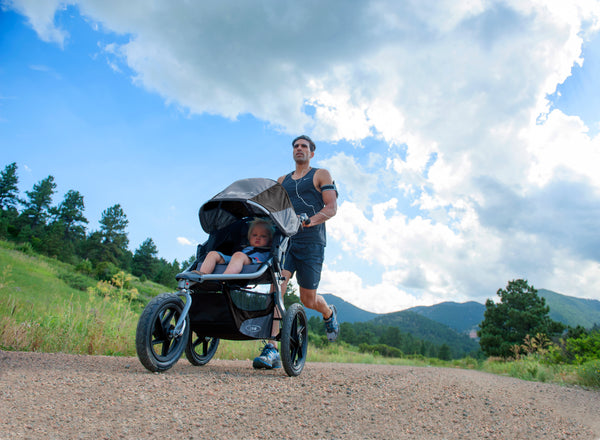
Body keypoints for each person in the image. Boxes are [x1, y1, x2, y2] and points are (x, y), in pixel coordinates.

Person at [253, 134, 339, 370]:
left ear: (311, 153)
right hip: (287, 242)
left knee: (307, 299)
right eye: (296, 146)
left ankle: (329, 313)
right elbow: (272, 209)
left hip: (312, 243)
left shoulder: (321, 174)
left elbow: (331, 207)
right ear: (293, 152)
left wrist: (309, 221)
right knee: (276, 288)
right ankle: (271, 348)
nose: (299, 149)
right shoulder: (282, 180)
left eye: (304, 146)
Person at [195, 218, 273, 275]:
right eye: (254, 235)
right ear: (249, 237)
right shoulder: (245, 247)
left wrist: (263, 262)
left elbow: (270, 261)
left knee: (238, 255)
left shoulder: (268, 251)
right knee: (212, 254)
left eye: (263, 236)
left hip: (253, 261)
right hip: (235, 260)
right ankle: (202, 275)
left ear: (270, 241)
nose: (258, 238)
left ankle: (226, 276)